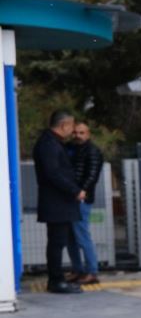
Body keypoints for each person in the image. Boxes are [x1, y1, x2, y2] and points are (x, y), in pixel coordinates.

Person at [32, 110, 84, 294]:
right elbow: (53, 173)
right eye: (71, 126)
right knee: (56, 242)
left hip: (59, 202)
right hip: (56, 202)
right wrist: (75, 190)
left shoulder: (51, 142)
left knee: (59, 241)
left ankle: (59, 278)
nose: (73, 130)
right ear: (64, 125)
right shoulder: (49, 144)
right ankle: (56, 280)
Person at [67, 121, 105, 285]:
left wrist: (82, 191)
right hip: (70, 197)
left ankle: (92, 272)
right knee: (71, 237)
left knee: (82, 236)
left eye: (82, 133)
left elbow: (92, 175)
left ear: (88, 134)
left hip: (82, 198)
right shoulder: (72, 149)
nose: (78, 136)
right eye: (75, 132)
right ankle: (78, 270)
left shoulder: (93, 151)